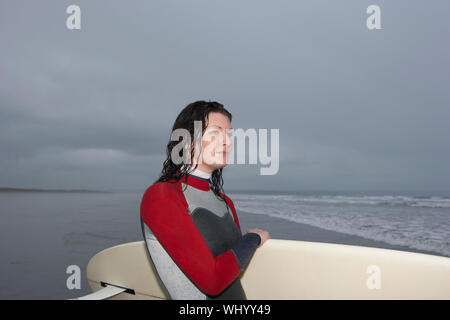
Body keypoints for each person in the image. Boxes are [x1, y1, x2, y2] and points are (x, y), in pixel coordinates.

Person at [140, 100, 270, 300]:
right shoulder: (162, 196)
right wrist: (253, 238)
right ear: (188, 140)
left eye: (229, 134)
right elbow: (213, 281)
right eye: (216, 133)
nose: (227, 142)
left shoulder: (225, 202)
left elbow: (233, 269)